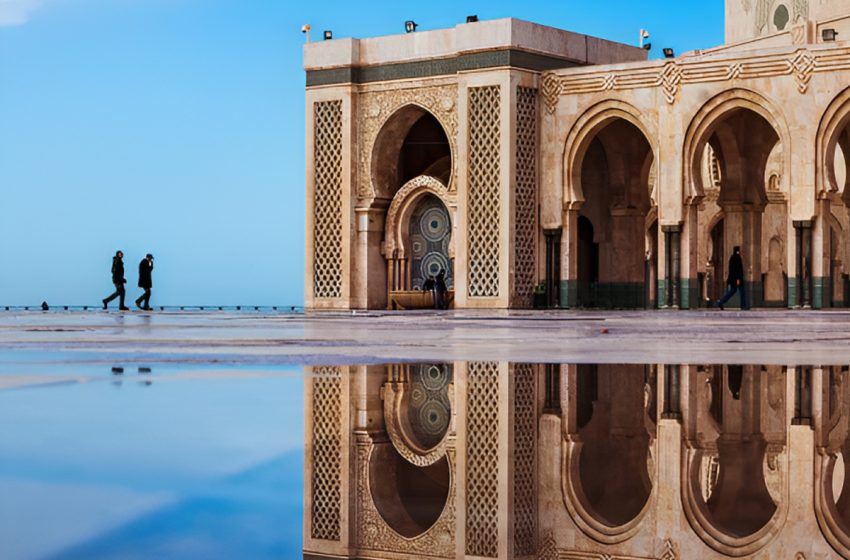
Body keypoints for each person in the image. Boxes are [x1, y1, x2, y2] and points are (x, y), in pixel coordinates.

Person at [716, 246, 747, 310]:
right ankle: (743, 305)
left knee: (732, 291)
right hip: (738, 279)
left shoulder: (732, 258)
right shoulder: (738, 258)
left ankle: (721, 301)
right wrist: (738, 279)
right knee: (742, 291)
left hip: (732, 279)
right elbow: (738, 270)